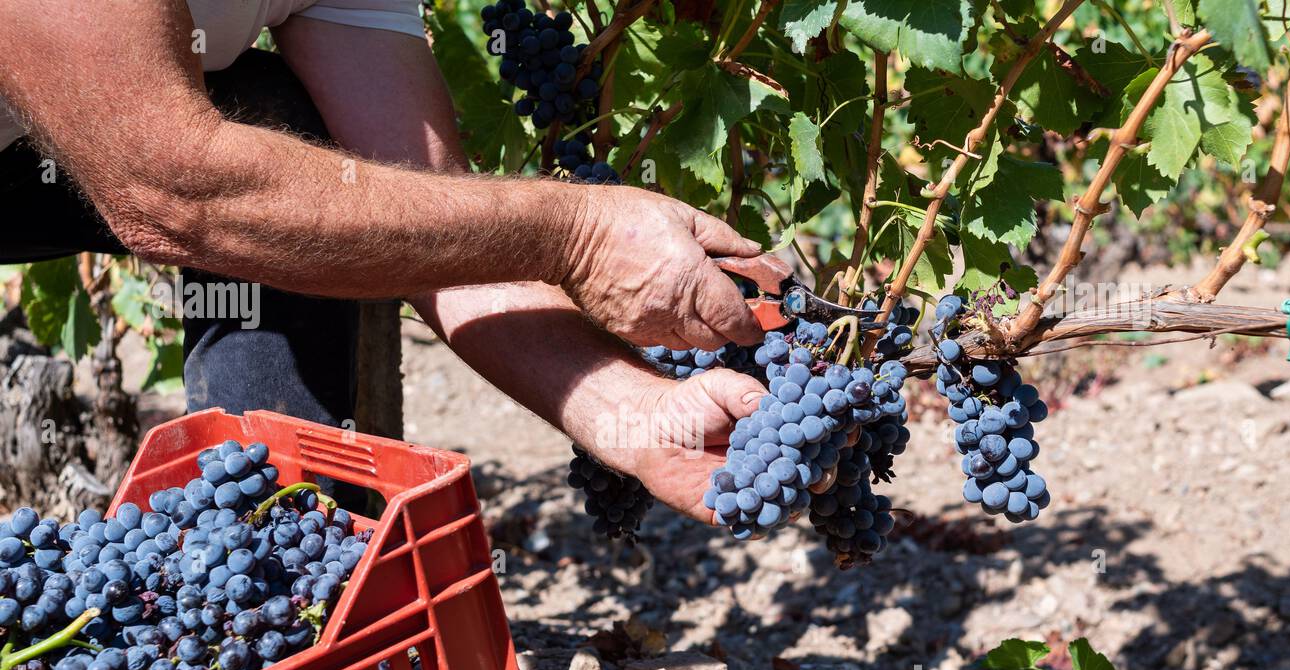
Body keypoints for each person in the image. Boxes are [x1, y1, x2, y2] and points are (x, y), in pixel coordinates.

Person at [0, 0, 782, 520]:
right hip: (104, 153)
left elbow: (440, 227)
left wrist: (632, 409)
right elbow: (172, 187)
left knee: (294, 141)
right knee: (242, 182)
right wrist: (577, 232)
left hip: (62, 139)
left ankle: (268, 563)